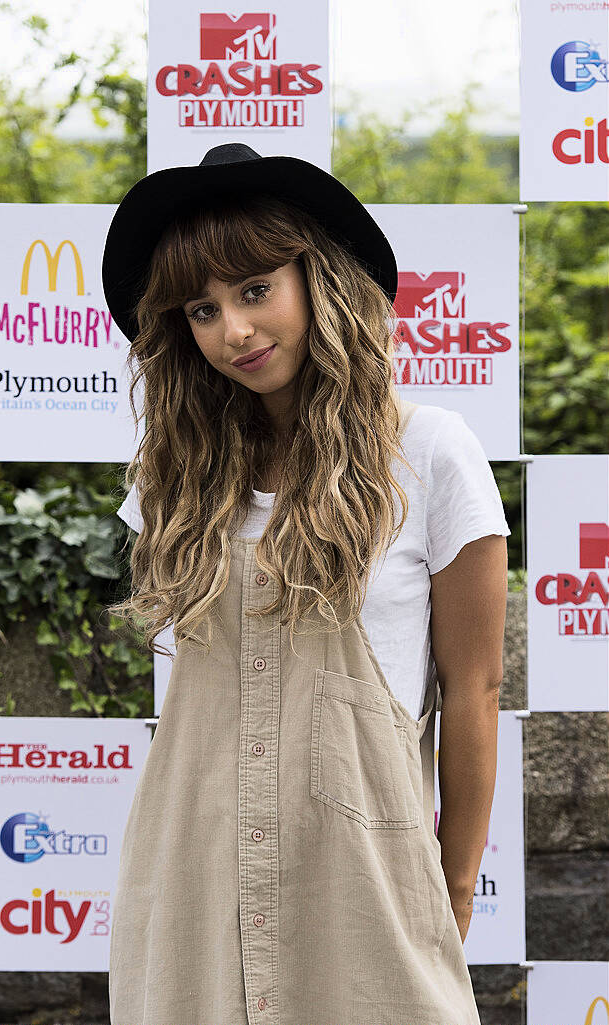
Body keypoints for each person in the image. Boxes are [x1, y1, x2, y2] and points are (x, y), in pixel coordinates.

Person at [101, 142, 510, 1025]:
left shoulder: (430, 452)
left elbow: (474, 688)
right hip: (193, 872)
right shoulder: (169, 478)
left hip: (362, 874)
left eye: (255, 290)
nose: (234, 332)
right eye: (202, 310)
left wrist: (457, 880)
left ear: (317, 279)